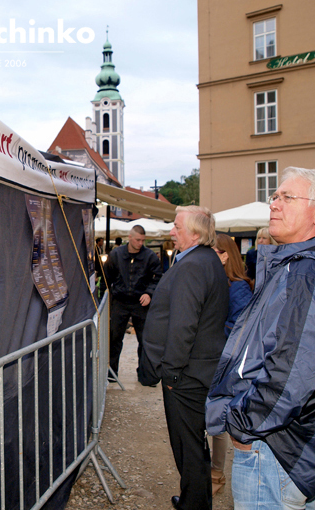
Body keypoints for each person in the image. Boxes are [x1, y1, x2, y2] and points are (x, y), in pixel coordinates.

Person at [206, 167, 315, 510]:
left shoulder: (307, 273)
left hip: (276, 445)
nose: (275, 204)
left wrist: (243, 428)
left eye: (288, 197)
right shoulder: (300, 266)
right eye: (274, 196)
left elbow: (290, 374)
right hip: (291, 441)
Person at [139, 206, 229, 510]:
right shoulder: (205, 259)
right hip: (198, 368)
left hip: (187, 373)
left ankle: (195, 505)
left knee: (187, 446)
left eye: (177, 226)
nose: (172, 231)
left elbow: (183, 324)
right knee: (192, 444)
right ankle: (195, 499)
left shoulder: (192, 265)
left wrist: (172, 372)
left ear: (194, 232)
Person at [209, 233, 254, 495]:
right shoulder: (217, 281)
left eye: (213, 251)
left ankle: (217, 474)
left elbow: (241, 327)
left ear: (225, 255)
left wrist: (213, 331)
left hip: (226, 362)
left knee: (220, 420)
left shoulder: (237, 286)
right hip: (213, 357)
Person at [102, 225, 162, 379]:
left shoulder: (150, 257)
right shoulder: (116, 254)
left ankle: (145, 373)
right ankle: (111, 372)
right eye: (137, 240)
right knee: (114, 337)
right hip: (120, 301)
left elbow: (158, 278)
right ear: (130, 237)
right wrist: (104, 298)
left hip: (141, 303)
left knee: (144, 339)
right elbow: (106, 276)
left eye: (143, 240)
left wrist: (149, 293)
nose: (140, 243)